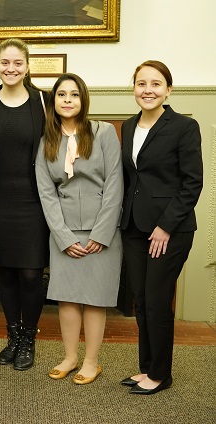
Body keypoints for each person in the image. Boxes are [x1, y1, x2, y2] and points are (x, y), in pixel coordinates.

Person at [120, 60, 202, 395]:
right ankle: (146, 368)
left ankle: (161, 373)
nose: (148, 90)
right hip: (135, 227)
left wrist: (165, 226)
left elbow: (192, 183)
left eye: (156, 84)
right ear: (134, 88)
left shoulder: (183, 127)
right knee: (141, 299)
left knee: (156, 300)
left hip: (170, 230)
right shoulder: (128, 126)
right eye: (141, 83)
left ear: (168, 89)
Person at [35, 73, 123, 385]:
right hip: (65, 232)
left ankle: (91, 361)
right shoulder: (47, 141)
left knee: (95, 298)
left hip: (103, 231)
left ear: (83, 99)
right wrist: (62, 236)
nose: (68, 100)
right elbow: (46, 192)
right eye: (61, 95)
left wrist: (102, 233)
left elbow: (115, 183)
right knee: (68, 298)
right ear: (54, 101)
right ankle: (71, 357)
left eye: (74, 94)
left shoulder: (104, 133)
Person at [0, 38, 49, 371]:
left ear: (28, 66)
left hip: (35, 201)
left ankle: (29, 340)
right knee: (4, 274)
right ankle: (13, 337)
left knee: (31, 274)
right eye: (5, 62)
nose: (11, 68)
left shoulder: (43, 102)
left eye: (18, 62)